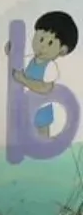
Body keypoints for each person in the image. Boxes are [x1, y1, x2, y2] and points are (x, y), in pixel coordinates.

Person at [10, 10, 78, 139]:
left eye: (50, 43)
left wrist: (23, 80)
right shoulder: (32, 59)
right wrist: (10, 50)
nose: (41, 46)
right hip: (28, 105)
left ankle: (47, 144)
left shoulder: (51, 67)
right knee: (28, 134)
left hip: (42, 108)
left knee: (42, 134)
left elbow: (44, 88)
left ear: (63, 50)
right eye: (40, 39)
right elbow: (17, 58)